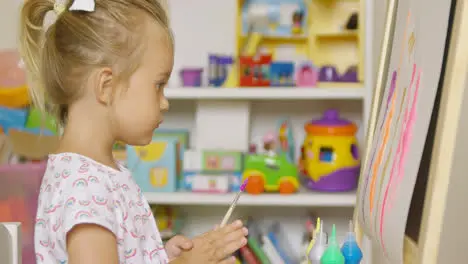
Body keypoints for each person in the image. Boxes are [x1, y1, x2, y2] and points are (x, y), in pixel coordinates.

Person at [19, 0, 248, 263]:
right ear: (106, 86)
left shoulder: (97, 174)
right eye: (158, 85)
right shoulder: (84, 190)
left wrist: (160, 257)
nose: (165, 101)